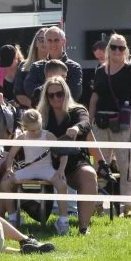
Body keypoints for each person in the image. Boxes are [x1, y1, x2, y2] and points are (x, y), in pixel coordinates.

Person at [89, 33, 131, 217]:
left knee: (125, 164)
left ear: (126, 50)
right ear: (108, 49)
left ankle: (127, 206)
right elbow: (94, 97)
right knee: (100, 164)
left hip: (123, 121)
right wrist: (89, 121)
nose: (117, 51)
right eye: (113, 46)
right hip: (101, 121)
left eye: (121, 47)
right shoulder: (100, 71)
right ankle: (97, 204)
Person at [37, 75, 97, 235]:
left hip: (75, 162)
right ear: (46, 97)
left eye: (59, 94)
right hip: (46, 163)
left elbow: (86, 123)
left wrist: (76, 128)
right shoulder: (41, 115)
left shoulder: (77, 110)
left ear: (66, 93)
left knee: (89, 175)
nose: (56, 98)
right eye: (51, 95)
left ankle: (84, 227)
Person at [0, 108, 71, 234]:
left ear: (41, 123)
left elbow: (64, 154)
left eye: (37, 128)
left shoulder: (48, 135)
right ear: (24, 127)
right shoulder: (22, 137)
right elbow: (10, 156)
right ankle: (13, 218)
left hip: (46, 168)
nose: (35, 132)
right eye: (31, 130)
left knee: (62, 184)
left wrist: (61, 170)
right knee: (5, 183)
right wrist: (9, 169)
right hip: (29, 169)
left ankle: (63, 221)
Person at [23, 26, 83, 103]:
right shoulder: (36, 67)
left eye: (56, 40)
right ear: (45, 42)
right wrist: (59, 88)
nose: (53, 44)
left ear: (64, 42)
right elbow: (30, 90)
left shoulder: (74, 67)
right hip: (44, 112)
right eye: (49, 40)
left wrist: (46, 90)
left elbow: (75, 93)